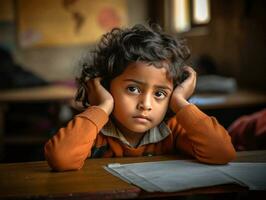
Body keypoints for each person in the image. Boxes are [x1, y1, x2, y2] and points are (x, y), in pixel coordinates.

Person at [44, 24, 236, 171]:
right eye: (133, 89)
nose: (145, 105)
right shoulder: (93, 131)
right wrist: (103, 106)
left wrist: (180, 102)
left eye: (160, 94)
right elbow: (61, 159)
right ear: (106, 85)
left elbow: (222, 152)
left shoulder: (172, 131)